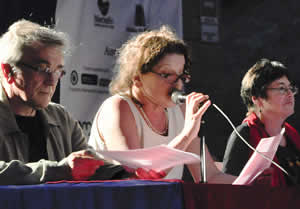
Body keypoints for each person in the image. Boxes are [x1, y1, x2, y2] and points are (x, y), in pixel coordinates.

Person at [0, 19, 164, 185]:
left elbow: (92, 168)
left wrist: (128, 174)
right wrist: (61, 170)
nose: (52, 81)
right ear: (7, 71)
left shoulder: (60, 117)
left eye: (58, 71)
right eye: (43, 69)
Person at [89, 25, 236, 183]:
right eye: (167, 74)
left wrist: (257, 184)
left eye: (181, 75)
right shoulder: (118, 107)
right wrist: (186, 135)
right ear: (137, 77)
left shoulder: (180, 110)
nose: (178, 84)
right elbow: (136, 177)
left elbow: (210, 176)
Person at [222, 58, 300, 186]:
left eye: (290, 88)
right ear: (257, 99)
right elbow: (229, 191)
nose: (290, 93)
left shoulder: (293, 135)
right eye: (281, 88)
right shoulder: (244, 135)